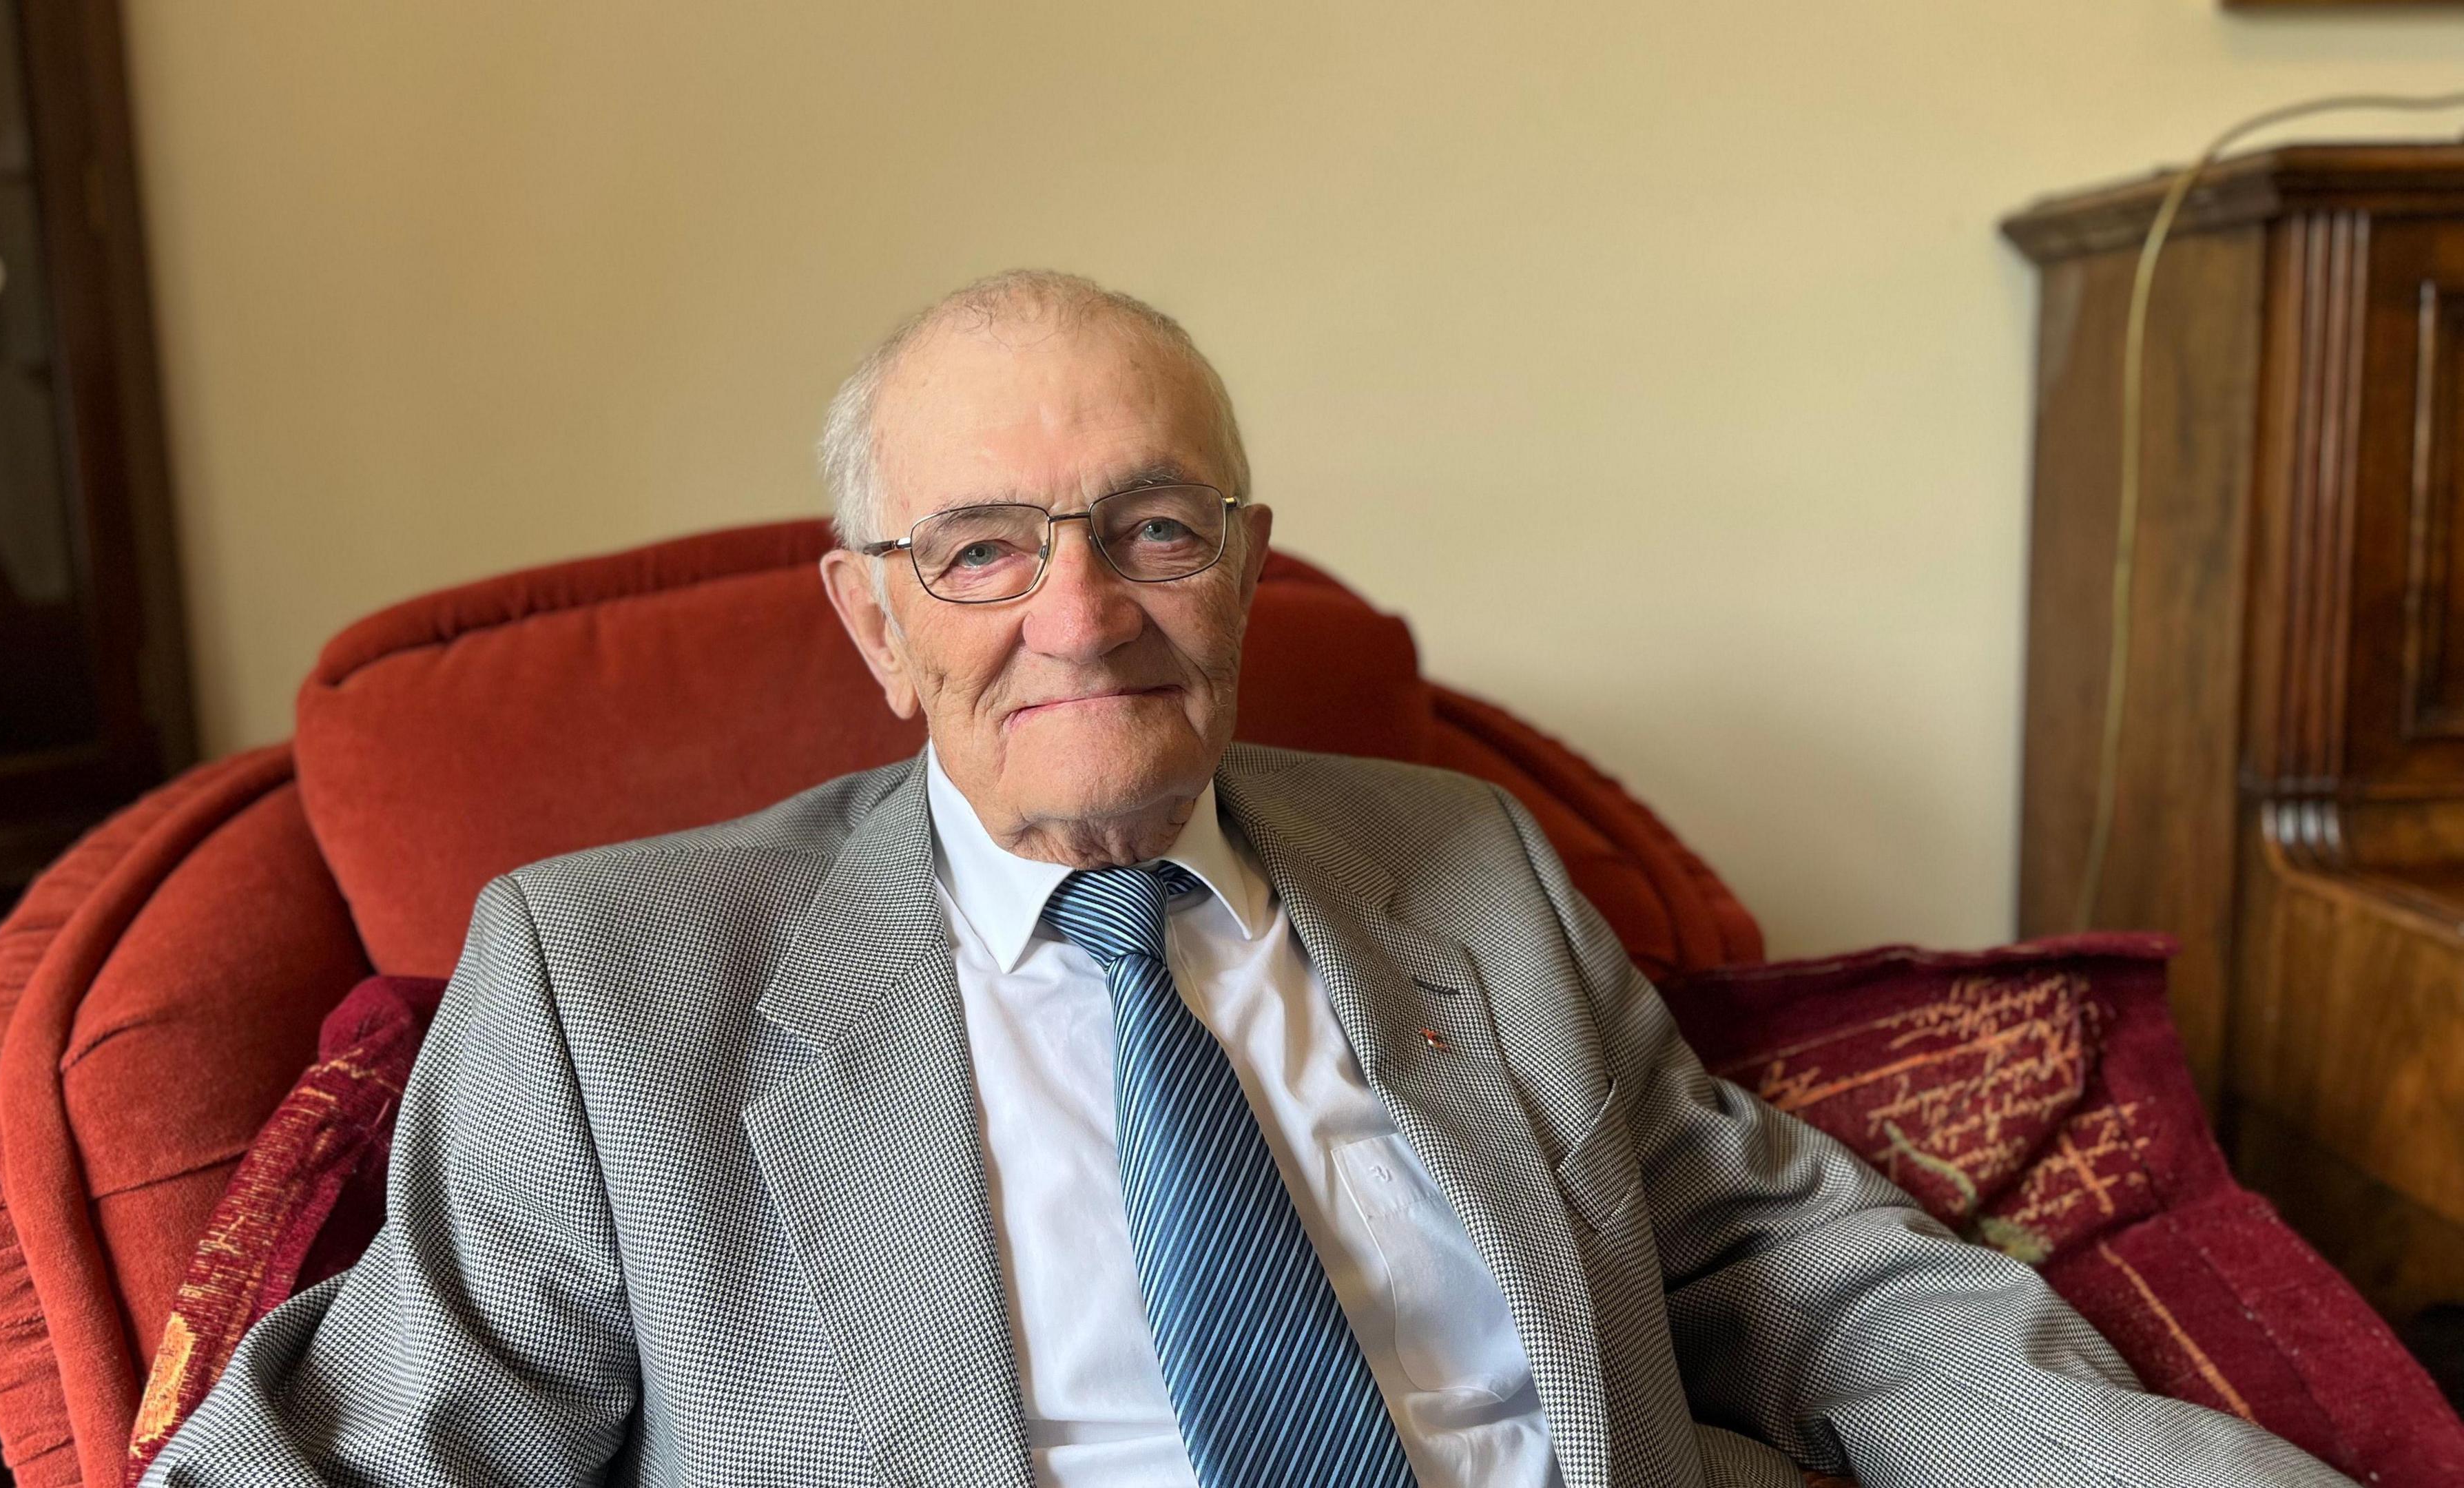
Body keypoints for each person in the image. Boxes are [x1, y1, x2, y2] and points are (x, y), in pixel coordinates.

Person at [145, 270, 2347, 1487]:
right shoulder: (608, 980)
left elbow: (1789, 1264)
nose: (1079, 613)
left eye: (1154, 529)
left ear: (1245, 571)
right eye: (983, 551)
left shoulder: (1458, 865)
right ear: (874, 618)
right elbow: (360, 1454)